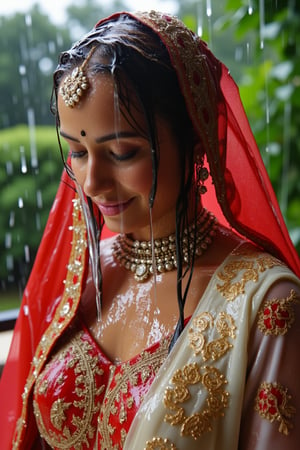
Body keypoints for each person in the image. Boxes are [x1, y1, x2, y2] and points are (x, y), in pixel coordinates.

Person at [1, 10, 300, 450]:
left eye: (121, 152)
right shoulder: (81, 275)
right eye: (78, 151)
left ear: (196, 144)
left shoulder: (266, 304)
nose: (91, 184)